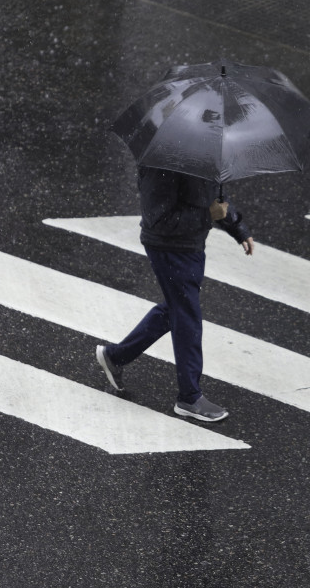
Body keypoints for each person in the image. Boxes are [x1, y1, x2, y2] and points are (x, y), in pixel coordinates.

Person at [95, 167, 254, 422]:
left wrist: (237, 227)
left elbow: (212, 195)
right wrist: (207, 216)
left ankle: (116, 356)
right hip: (168, 247)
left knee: (177, 309)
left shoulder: (200, 153)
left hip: (191, 245)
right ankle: (189, 397)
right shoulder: (162, 164)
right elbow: (158, 218)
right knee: (188, 315)